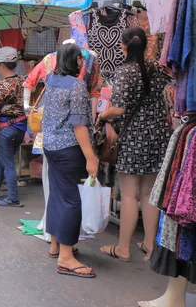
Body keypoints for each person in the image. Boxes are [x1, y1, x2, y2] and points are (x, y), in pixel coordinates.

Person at [99, 27, 171, 262]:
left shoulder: (124, 72)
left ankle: (123, 248)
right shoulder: (155, 68)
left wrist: (103, 116)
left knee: (129, 195)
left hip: (133, 138)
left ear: (123, 46)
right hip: (158, 135)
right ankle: (150, 245)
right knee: (149, 193)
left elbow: (118, 109)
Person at [41, 43, 98, 279]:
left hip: (51, 147)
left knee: (57, 195)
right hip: (68, 149)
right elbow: (79, 124)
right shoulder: (76, 86)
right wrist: (90, 157)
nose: (83, 63)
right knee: (72, 201)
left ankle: (56, 244)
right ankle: (66, 257)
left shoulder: (51, 80)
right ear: (76, 61)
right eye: (80, 59)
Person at [0, 47, 27, 207]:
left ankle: (13, 198)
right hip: (21, 126)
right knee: (3, 159)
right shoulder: (23, 80)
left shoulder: (0, 86)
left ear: (1, 65)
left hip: (5, 128)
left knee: (7, 163)